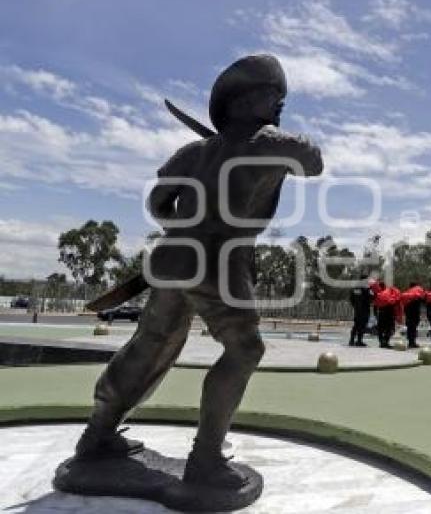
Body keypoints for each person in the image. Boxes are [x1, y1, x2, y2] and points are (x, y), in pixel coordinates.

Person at [75, 54, 323, 487]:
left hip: (174, 259)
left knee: (150, 344)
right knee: (245, 351)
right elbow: (313, 161)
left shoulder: (193, 153)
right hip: (220, 263)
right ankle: (206, 459)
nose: (281, 103)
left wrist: (187, 229)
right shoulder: (271, 142)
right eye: (273, 94)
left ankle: (97, 434)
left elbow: (157, 205)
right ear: (242, 101)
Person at [373, 281, 402, 348]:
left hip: (381, 313)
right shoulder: (390, 293)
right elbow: (395, 302)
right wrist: (397, 314)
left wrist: (376, 314)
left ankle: (382, 342)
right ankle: (385, 342)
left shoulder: (378, 295)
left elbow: (375, 305)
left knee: (381, 329)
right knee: (389, 328)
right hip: (389, 313)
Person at [349, 274, 373, 347]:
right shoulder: (366, 288)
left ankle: (352, 340)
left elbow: (351, 298)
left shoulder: (355, 288)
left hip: (357, 309)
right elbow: (370, 298)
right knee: (362, 325)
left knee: (356, 325)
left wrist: (355, 306)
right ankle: (359, 341)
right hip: (364, 309)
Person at [401, 282, 426, 348]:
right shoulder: (418, 291)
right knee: (413, 327)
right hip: (414, 311)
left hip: (408, 311)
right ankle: (412, 342)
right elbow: (423, 299)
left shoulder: (407, 293)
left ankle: (410, 342)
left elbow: (404, 305)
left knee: (410, 327)